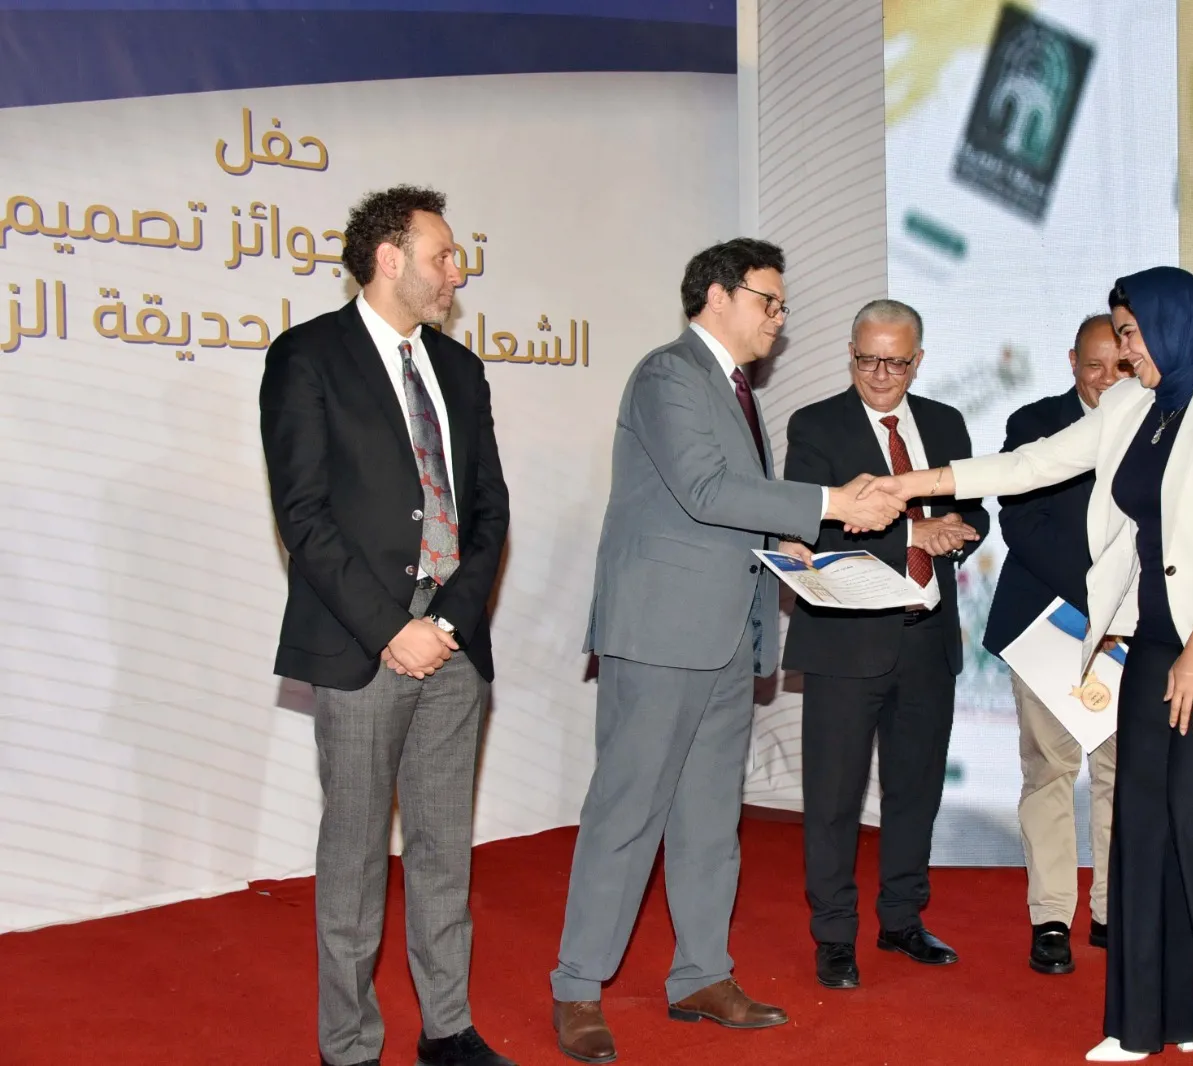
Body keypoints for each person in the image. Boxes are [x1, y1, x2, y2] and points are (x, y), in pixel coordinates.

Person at [857, 266, 1193, 1066]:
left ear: (1175, 323)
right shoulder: (1130, 407)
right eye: (1117, 335)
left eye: (1131, 333)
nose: (1123, 352)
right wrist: (911, 485)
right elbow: (1028, 466)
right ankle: (1145, 1021)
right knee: (1144, 822)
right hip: (1154, 639)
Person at [550, 239, 905, 1065]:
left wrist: (787, 541)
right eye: (768, 301)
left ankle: (702, 975)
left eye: (783, 305)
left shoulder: (736, 389)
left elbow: (722, 508)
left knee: (712, 818)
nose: (780, 318)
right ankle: (577, 986)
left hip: (725, 635)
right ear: (717, 295)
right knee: (627, 814)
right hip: (661, 635)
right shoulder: (669, 374)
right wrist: (831, 503)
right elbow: (705, 489)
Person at [259, 186, 514, 1066]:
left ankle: (448, 1029)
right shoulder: (307, 357)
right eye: (444, 256)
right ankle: (349, 1047)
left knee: (445, 851)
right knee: (356, 856)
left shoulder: (461, 370)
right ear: (389, 258)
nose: (458, 272)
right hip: (362, 645)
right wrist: (389, 629)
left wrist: (446, 619)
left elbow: (489, 511)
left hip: (454, 644)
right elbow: (303, 517)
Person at [778, 299, 989, 991]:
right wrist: (911, 535)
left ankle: (901, 920)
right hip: (845, 643)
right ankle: (834, 935)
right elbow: (810, 525)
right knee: (833, 800)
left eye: (895, 362)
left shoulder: (946, 423)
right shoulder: (816, 425)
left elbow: (976, 507)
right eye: (867, 359)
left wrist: (958, 531)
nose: (879, 374)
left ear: (917, 360)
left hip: (928, 640)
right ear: (851, 352)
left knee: (914, 793)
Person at [982, 313, 1130, 976]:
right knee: (1049, 771)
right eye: (1093, 366)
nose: (1106, 379)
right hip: (1049, 625)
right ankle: (1050, 917)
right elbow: (1023, 525)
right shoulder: (1034, 423)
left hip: (1130, 633)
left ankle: (1111, 910)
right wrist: (1102, 600)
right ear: (1072, 362)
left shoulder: (1158, 425)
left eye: (1119, 366)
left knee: (1122, 775)